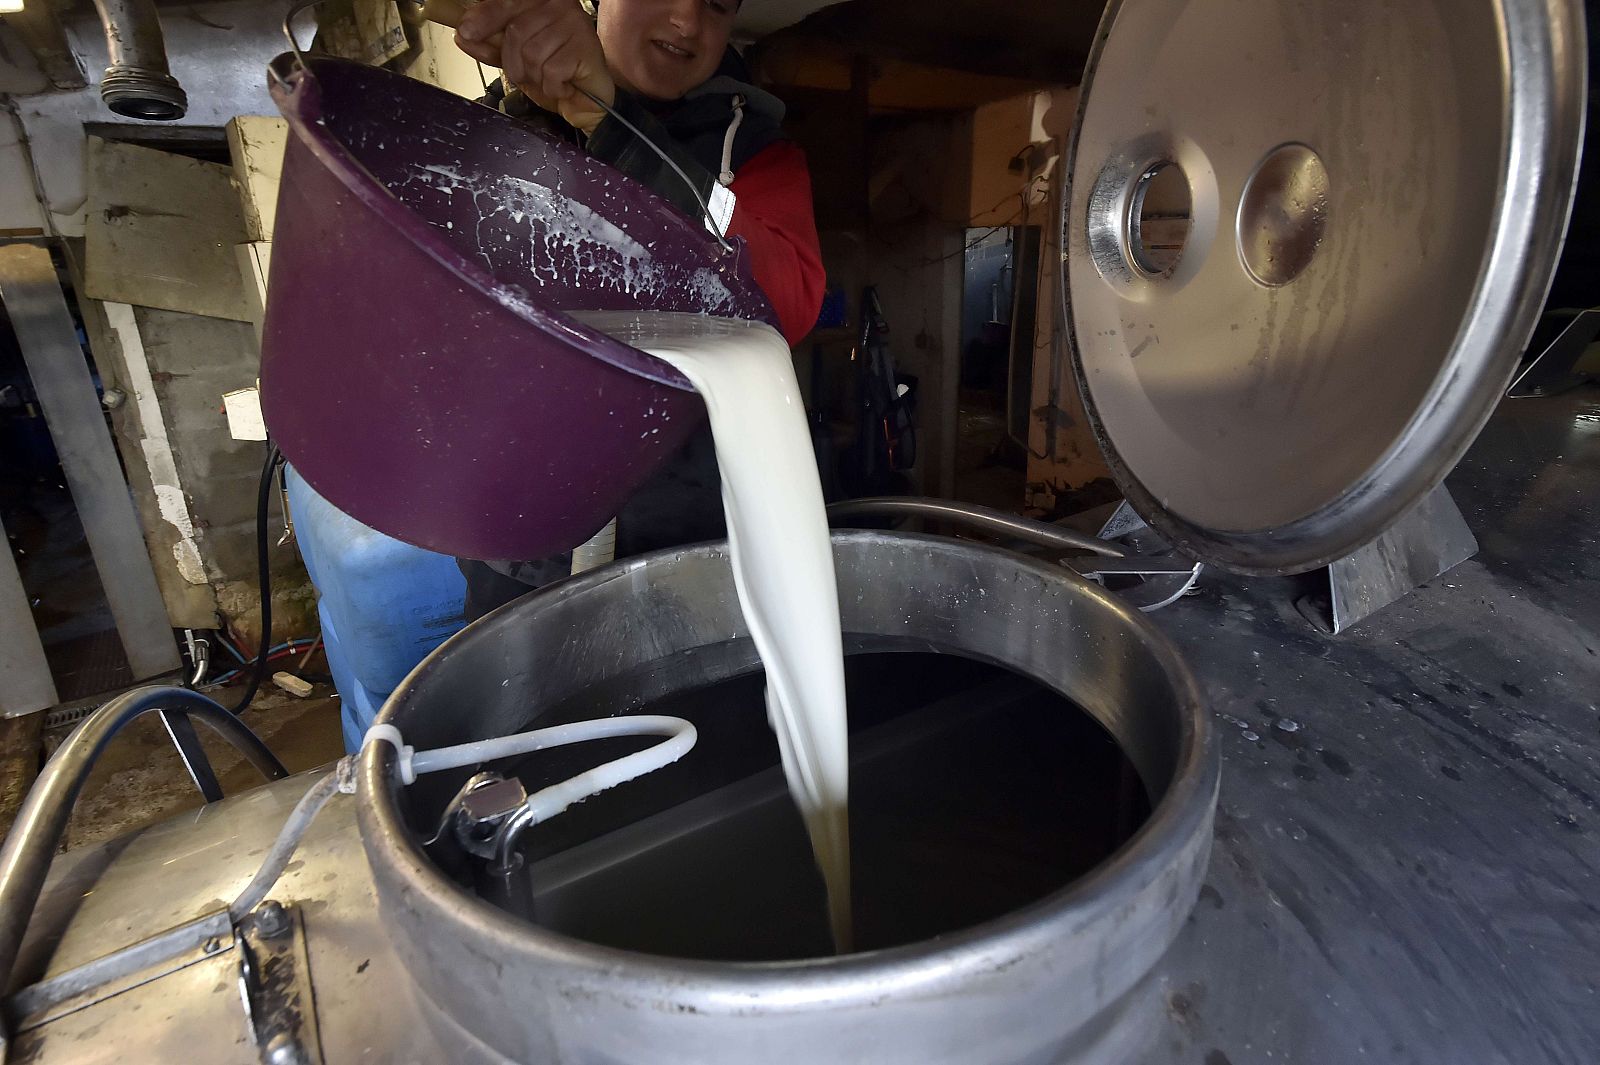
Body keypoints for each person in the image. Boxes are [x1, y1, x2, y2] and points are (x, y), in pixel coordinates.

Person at [451, 0, 825, 618]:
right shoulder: (495, 129)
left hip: (693, 547)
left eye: (717, 3)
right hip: (520, 542)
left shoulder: (756, 148)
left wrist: (613, 125)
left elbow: (788, 302)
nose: (686, 21)